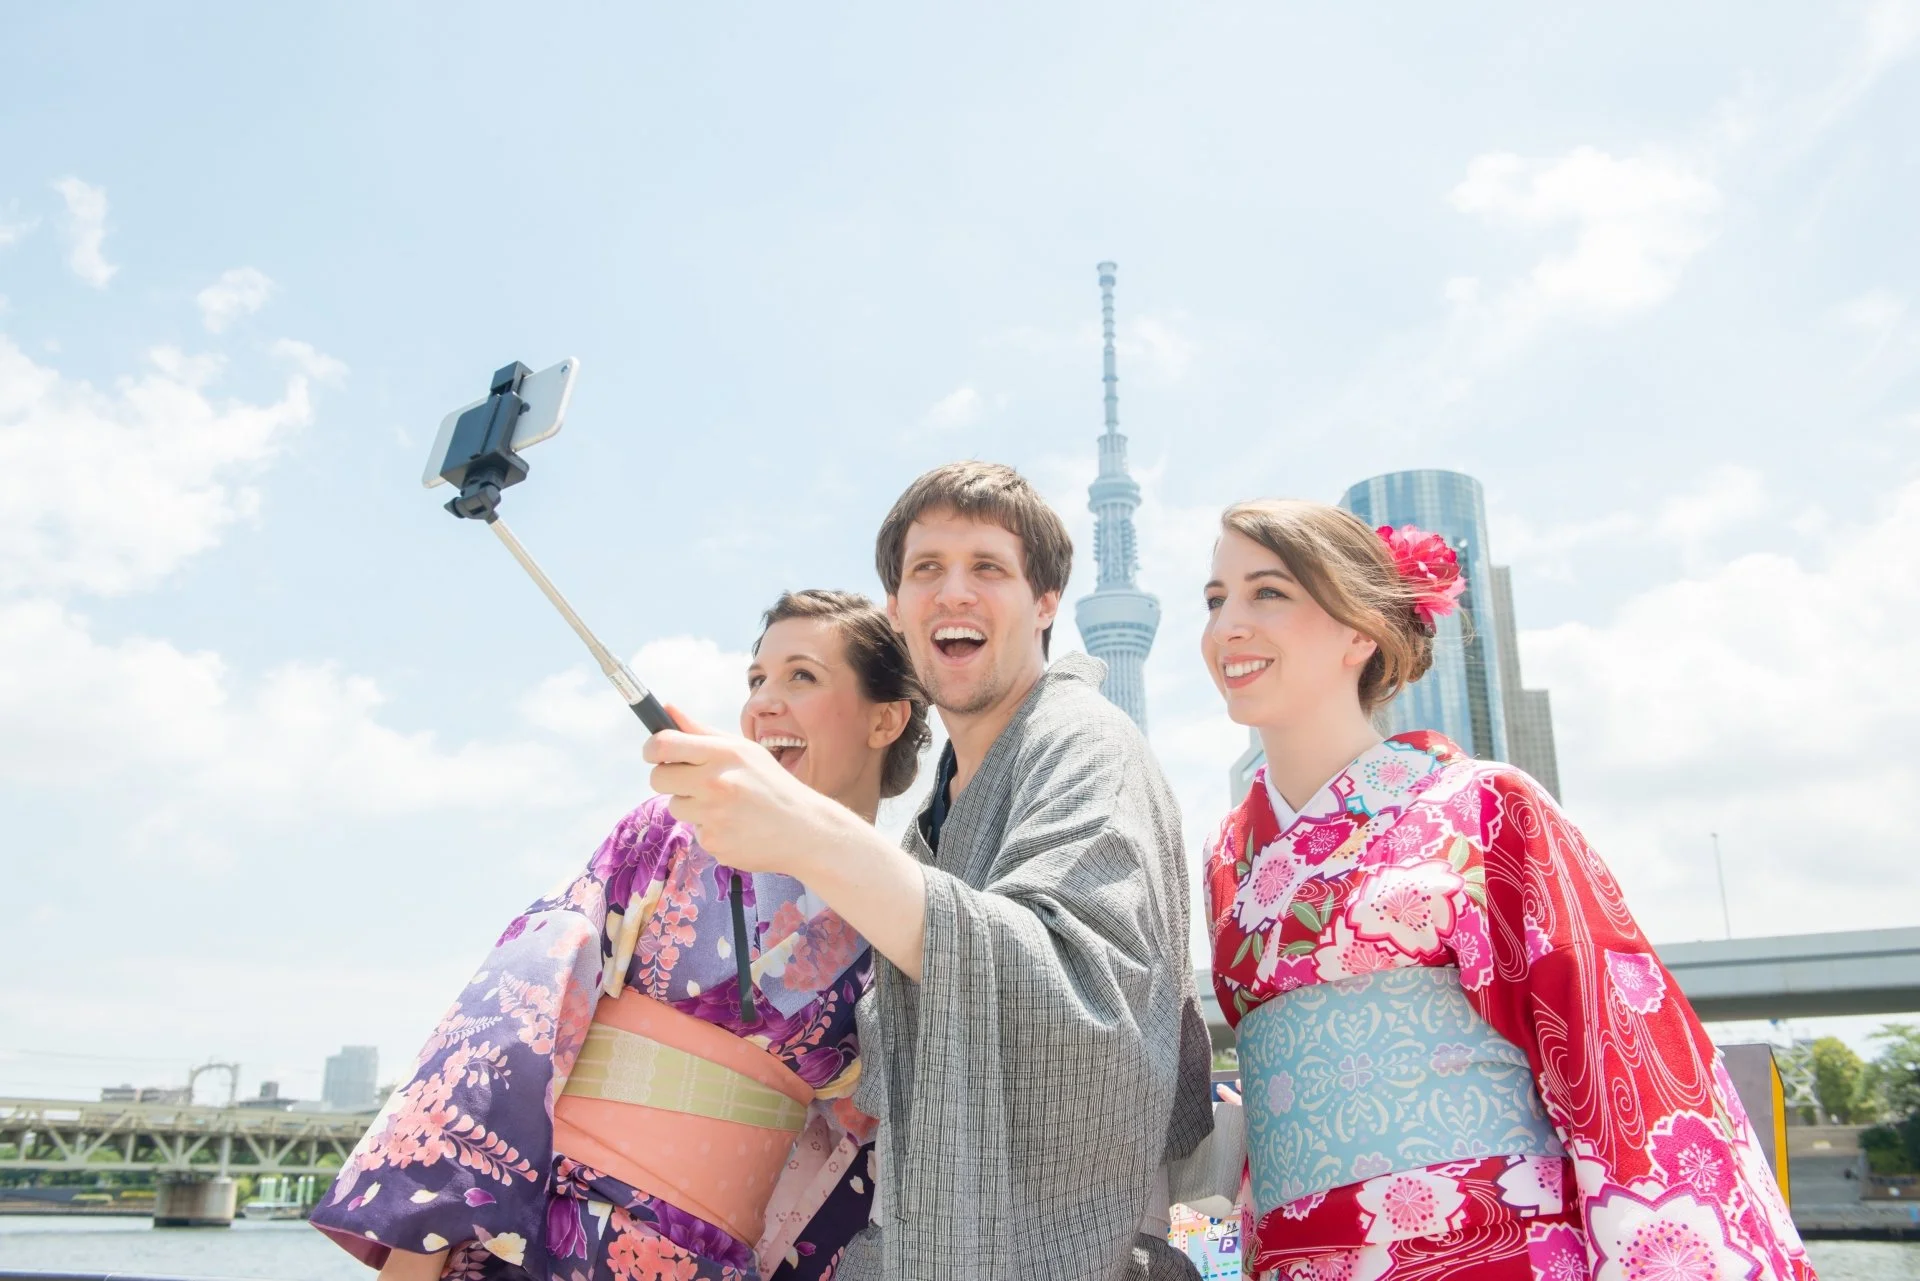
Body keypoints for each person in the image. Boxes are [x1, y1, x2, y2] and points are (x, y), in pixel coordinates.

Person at [1198, 499, 1815, 1280]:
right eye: (1215, 599)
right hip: (1297, 1256)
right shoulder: (1229, 855)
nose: (1227, 627)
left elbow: (1610, 1056)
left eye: (1268, 592)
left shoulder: (1485, 805)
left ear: (1360, 630)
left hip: (1491, 1249)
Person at [644, 462, 1215, 1280]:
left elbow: (1079, 996)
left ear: (1045, 601)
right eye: (926, 570)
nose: (953, 592)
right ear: (897, 609)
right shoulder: (927, 825)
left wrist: (807, 832)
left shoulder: (1088, 745)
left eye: (987, 567)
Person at [311, 589, 930, 1281]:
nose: (763, 703)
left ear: (885, 718)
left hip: (713, 1262)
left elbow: (861, 1143)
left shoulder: (903, 922)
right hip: (553, 1232)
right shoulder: (673, 833)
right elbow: (522, 1009)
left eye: (801, 676)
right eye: (756, 679)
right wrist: (415, 1257)